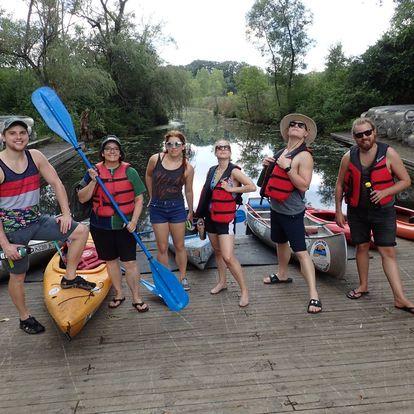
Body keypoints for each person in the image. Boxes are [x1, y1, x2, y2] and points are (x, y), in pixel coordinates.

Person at [0, 117, 93, 334]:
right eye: (12, 133)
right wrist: (5, 245)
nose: (18, 137)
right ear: (3, 137)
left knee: (80, 231)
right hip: (13, 231)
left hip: (36, 220)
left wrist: (66, 213)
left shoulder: (36, 156)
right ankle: (24, 317)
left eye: (22, 133)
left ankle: (69, 278)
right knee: (18, 276)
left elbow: (57, 183)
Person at [335, 117, 414, 313]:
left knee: (387, 252)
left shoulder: (389, 154)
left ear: (374, 132)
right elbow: (339, 184)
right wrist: (338, 210)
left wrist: (385, 192)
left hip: (384, 212)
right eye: (359, 135)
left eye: (367, 133)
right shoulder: (348, 157)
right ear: (354, 137)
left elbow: (405, 181)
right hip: (357, 211)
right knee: (361, 247)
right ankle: (363, 286)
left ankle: (400, 298)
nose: (364, 138)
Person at [78, 135, 149, 312]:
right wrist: (94, 180)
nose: (112, 151)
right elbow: (82, 198)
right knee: (110, 262)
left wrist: (134, 221)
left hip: (125, 225)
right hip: (100, 225)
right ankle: (119, 293)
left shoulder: (130, 172)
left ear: (120, 153)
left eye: (115, 149)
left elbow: (139, 199)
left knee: (130, 262)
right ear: (102, 153)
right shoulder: (92, 171)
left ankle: (136, 297)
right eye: (108, 148)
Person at [260, 114, 322, 314]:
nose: (295, 126)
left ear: (306, 133)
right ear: (287, 131)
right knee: (280, 243)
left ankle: (314, 296)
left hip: (292, 212)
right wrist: (266, 167)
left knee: (302, 252)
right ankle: (282, 274)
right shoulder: (281, 151)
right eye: (292, 125)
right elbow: (265, 183)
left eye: (300, 125)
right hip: (276, 208)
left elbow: (304, 185)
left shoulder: (304, 156)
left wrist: (287, 167)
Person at [195, 139, 255, 307]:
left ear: (230, 151)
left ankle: (244, 290)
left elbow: (251, 186)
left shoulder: (234, 171)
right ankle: (222, 282)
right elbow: (206, 194)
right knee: (218, 252)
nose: (222, 149)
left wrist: (232, 189)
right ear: (215, 152)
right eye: (219, 147)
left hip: (226, 218)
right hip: (211, 216)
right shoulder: (212, 170)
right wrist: (200, 216)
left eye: (226, 147)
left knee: (228, 256)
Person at [145, 130, 194, 291]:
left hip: (177, 208)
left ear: (183, 146)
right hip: (157, 208)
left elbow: (188, 190)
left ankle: (183, 277)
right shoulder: (156, 159)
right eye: (169, 144)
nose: (173, 147)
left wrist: (191, 210)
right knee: (162, 247)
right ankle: (166, 279)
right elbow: (149, 176)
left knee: (179, 245)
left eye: (177, 144)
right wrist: (152, 196)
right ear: (165, 145)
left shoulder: (187, 167)